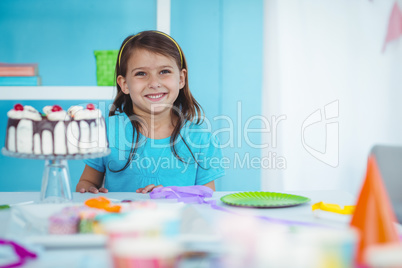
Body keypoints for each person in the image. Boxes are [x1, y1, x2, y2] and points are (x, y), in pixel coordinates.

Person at [76, 30, 225, 194]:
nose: (154, 83)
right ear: (124, 84)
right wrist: (88, 189)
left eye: (164, 72)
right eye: (141, 73)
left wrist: (171, 194)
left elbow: (206, 195)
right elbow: (87, 181)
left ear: (181, 79)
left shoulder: (201, 138)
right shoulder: (106, 132)